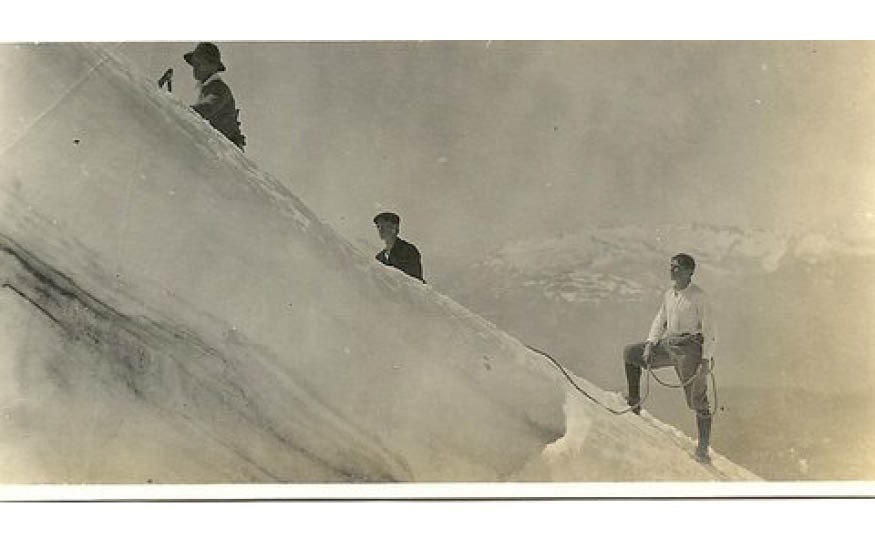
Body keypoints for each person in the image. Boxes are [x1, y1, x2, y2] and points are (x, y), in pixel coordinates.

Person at [622, 253, 717, 463]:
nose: (672, 270)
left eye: (677, 268)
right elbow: (660, 320)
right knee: (630, 354)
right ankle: (634, 405)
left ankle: (703, 449)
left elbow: (710, 331)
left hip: (690, 350)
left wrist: (704, 360)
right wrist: (650, 344)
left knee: (696, 401)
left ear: (689, 272)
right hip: (668, 345)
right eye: (671, 266)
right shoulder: (669, 294)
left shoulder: (699, 296)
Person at [183, 42, 246, 149]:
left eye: (199, 63)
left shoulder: (219, 88)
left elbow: (206, 108)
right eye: (194, 64)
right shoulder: (206, 89)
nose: (195, 68)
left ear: (213, 66)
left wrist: (178, 109)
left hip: (227, 153)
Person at [373, 212, 424, 282]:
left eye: (384, 226)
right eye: (378, 226)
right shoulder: (379, 258)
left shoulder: (408, 250)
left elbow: (416, 281)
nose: (380, 230)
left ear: (394, 228)